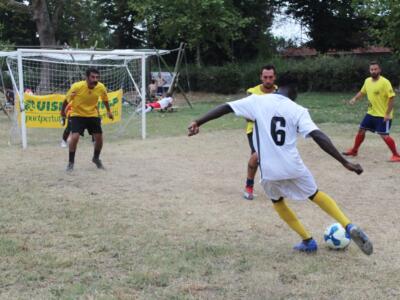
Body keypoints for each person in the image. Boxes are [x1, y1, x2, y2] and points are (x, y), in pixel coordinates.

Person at [187, 73, 373, 255]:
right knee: (315, 194)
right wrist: (344, 162)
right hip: (294, 166)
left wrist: (198, 121)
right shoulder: (298, 110)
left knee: (277, 202)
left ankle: (307, 241)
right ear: (293, 88)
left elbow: (226, 107)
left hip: (270, 170)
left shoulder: (257, 101)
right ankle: (348, 225)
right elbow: (318, 135)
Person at [343, 61, 400, 162]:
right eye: (371, 69)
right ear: (369, 71)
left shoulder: (385, 82)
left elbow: (392, 98)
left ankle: (396, 155)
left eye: (375, 69)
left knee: (384, 135)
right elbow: (362, 92)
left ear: (379, 70)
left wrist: (387, 113)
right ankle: (354, 150)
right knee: (361, 130)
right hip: (371, 113)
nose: (373, 71)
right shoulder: (367, 81)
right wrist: (354, 99)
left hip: (383, 115)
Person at [61, 67, 114, 171]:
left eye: (97, 77)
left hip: (92, 115)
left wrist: (109, 111)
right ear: (86, 77)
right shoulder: (77, 86)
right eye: (92, 77)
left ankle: (96, 158)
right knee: (75, 137)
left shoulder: (101, 87)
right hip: (77, 114)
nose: (95, 79)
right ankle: (71, 163)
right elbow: (66, 100)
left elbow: (105, 99)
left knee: (99, 138)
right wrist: (63, 113)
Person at [243, 65, 277, 200]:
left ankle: (276, 186)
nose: (268, 80)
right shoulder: (252, 93)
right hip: (255, 129)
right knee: (256, 156)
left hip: (273, 130)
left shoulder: (279, 92)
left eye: (270, 77)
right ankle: (248, 186)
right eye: (265, 77)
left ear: (274, 77)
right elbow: (247, 115)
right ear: (261, 77)